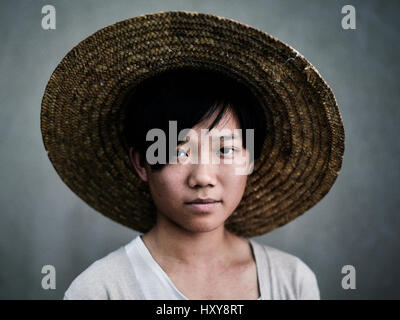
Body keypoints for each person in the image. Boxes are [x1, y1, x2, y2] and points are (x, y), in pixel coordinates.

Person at [40, 11, 345, 300]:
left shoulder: (292, 280)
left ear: (249, 159)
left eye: (225, 150)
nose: (202, 178)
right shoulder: (99, 289)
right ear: (141, 163)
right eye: (177, 152)